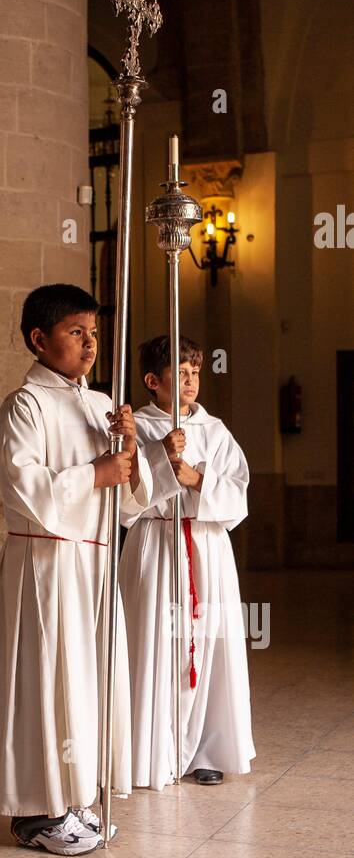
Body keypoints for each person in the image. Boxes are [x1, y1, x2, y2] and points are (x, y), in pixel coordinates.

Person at [0, 284, 152, 855]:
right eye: (77, 332)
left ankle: (76, 797)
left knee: (85, 681)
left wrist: (129, 454)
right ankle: (38, 812)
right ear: (39, 339)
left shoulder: (102, 406)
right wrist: (95, 474)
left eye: (95, 333)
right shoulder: (22, 407)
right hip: (46, 562)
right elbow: (25, 488)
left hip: (93, 561)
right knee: (47, 680)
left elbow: (129, 504)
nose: (91, 344)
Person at [119, 334, 255, 789]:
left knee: (209, 644)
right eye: (179, 373)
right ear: (151, 381)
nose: (191, 380)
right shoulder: (134, 426)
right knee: (151, 641)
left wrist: (197, 478)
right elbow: (123, 502)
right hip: (155, 545)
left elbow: (238, 494)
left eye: (195, 371)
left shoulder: (215, 431)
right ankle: (148, 749)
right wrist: (160, 458)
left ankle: (207, 749)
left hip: (206, 546)